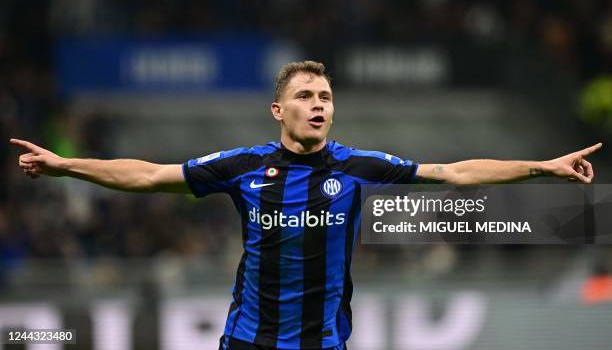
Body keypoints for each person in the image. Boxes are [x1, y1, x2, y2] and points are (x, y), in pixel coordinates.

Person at [11, 61, 602, 350]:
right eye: (304, 96)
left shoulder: (355, 165)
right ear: (279, 111)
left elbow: (453, 172)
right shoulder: (243, 166)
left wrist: (542, 167)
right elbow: (146, 175)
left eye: (325, 96)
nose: (318, 104)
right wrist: (67, 165)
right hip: (247, 342)